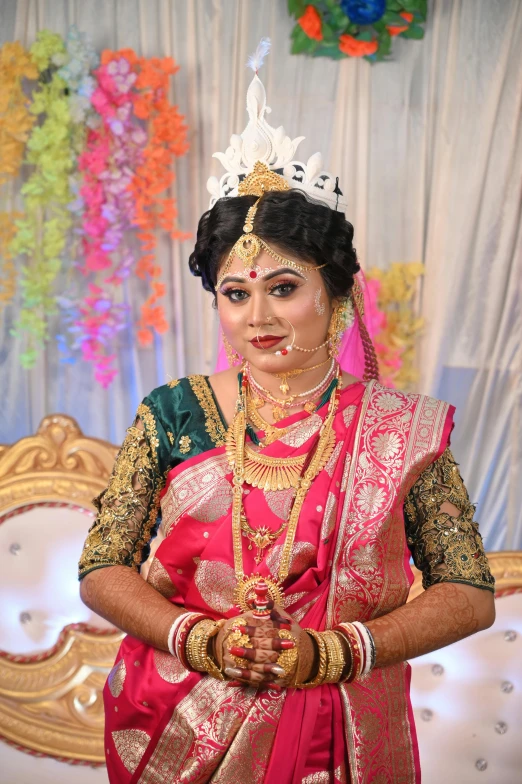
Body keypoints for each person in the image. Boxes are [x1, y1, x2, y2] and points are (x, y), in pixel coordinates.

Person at [78, 42, 495, 784]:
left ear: (335, 296)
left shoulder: (398, 432)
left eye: (283, 287)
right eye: (235, 293)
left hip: (333, 732)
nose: (258, 316)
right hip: (179, 720)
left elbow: (467, 591)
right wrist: (199, 640)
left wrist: (330, 653)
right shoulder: (176, 412)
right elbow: (103, 565)